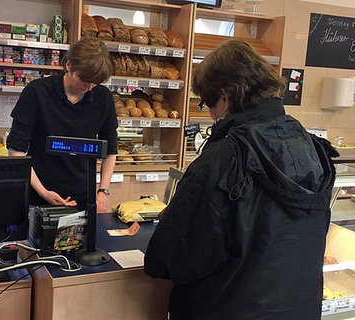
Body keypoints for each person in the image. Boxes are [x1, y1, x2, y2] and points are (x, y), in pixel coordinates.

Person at [144, 39, 339, 319]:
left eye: (207, 102)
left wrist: (173, 221)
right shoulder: (311, 146)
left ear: (225, 96)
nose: (210, 114)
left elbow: (173, 260)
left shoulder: (222, 158)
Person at [6, 37, 118, 213]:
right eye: (84, 79)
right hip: (38, 194)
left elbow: (110, 150)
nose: (88, 87)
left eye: (95, 83)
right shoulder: (37, 92)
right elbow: (16, 149)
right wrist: (43, 192)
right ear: (68, 65)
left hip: (83, 197)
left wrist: (103, 191)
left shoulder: (103, 98)